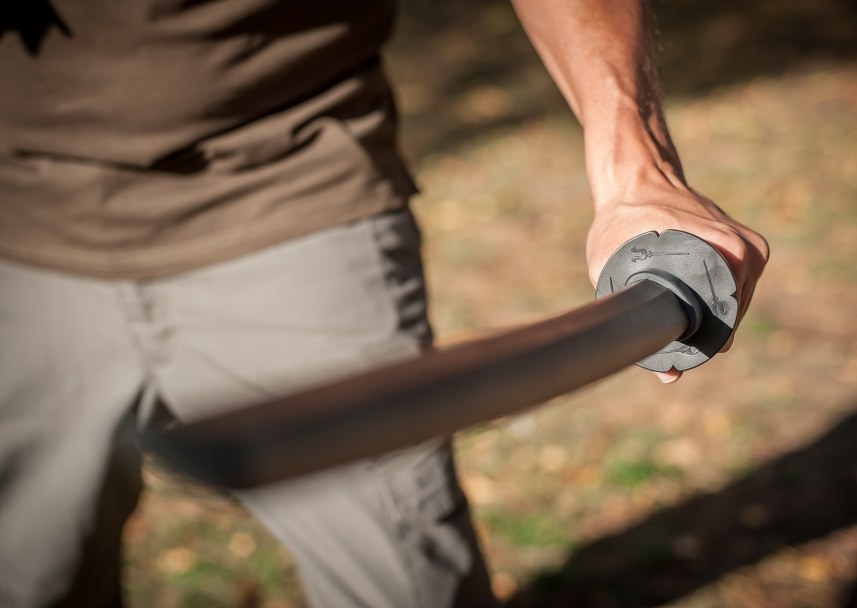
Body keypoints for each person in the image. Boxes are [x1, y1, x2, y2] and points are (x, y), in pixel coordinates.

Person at [0, 0, 768, 606]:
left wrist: (636, 172)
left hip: (288, 199)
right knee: (27, 572)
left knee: (405, 582)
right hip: (19, 234)